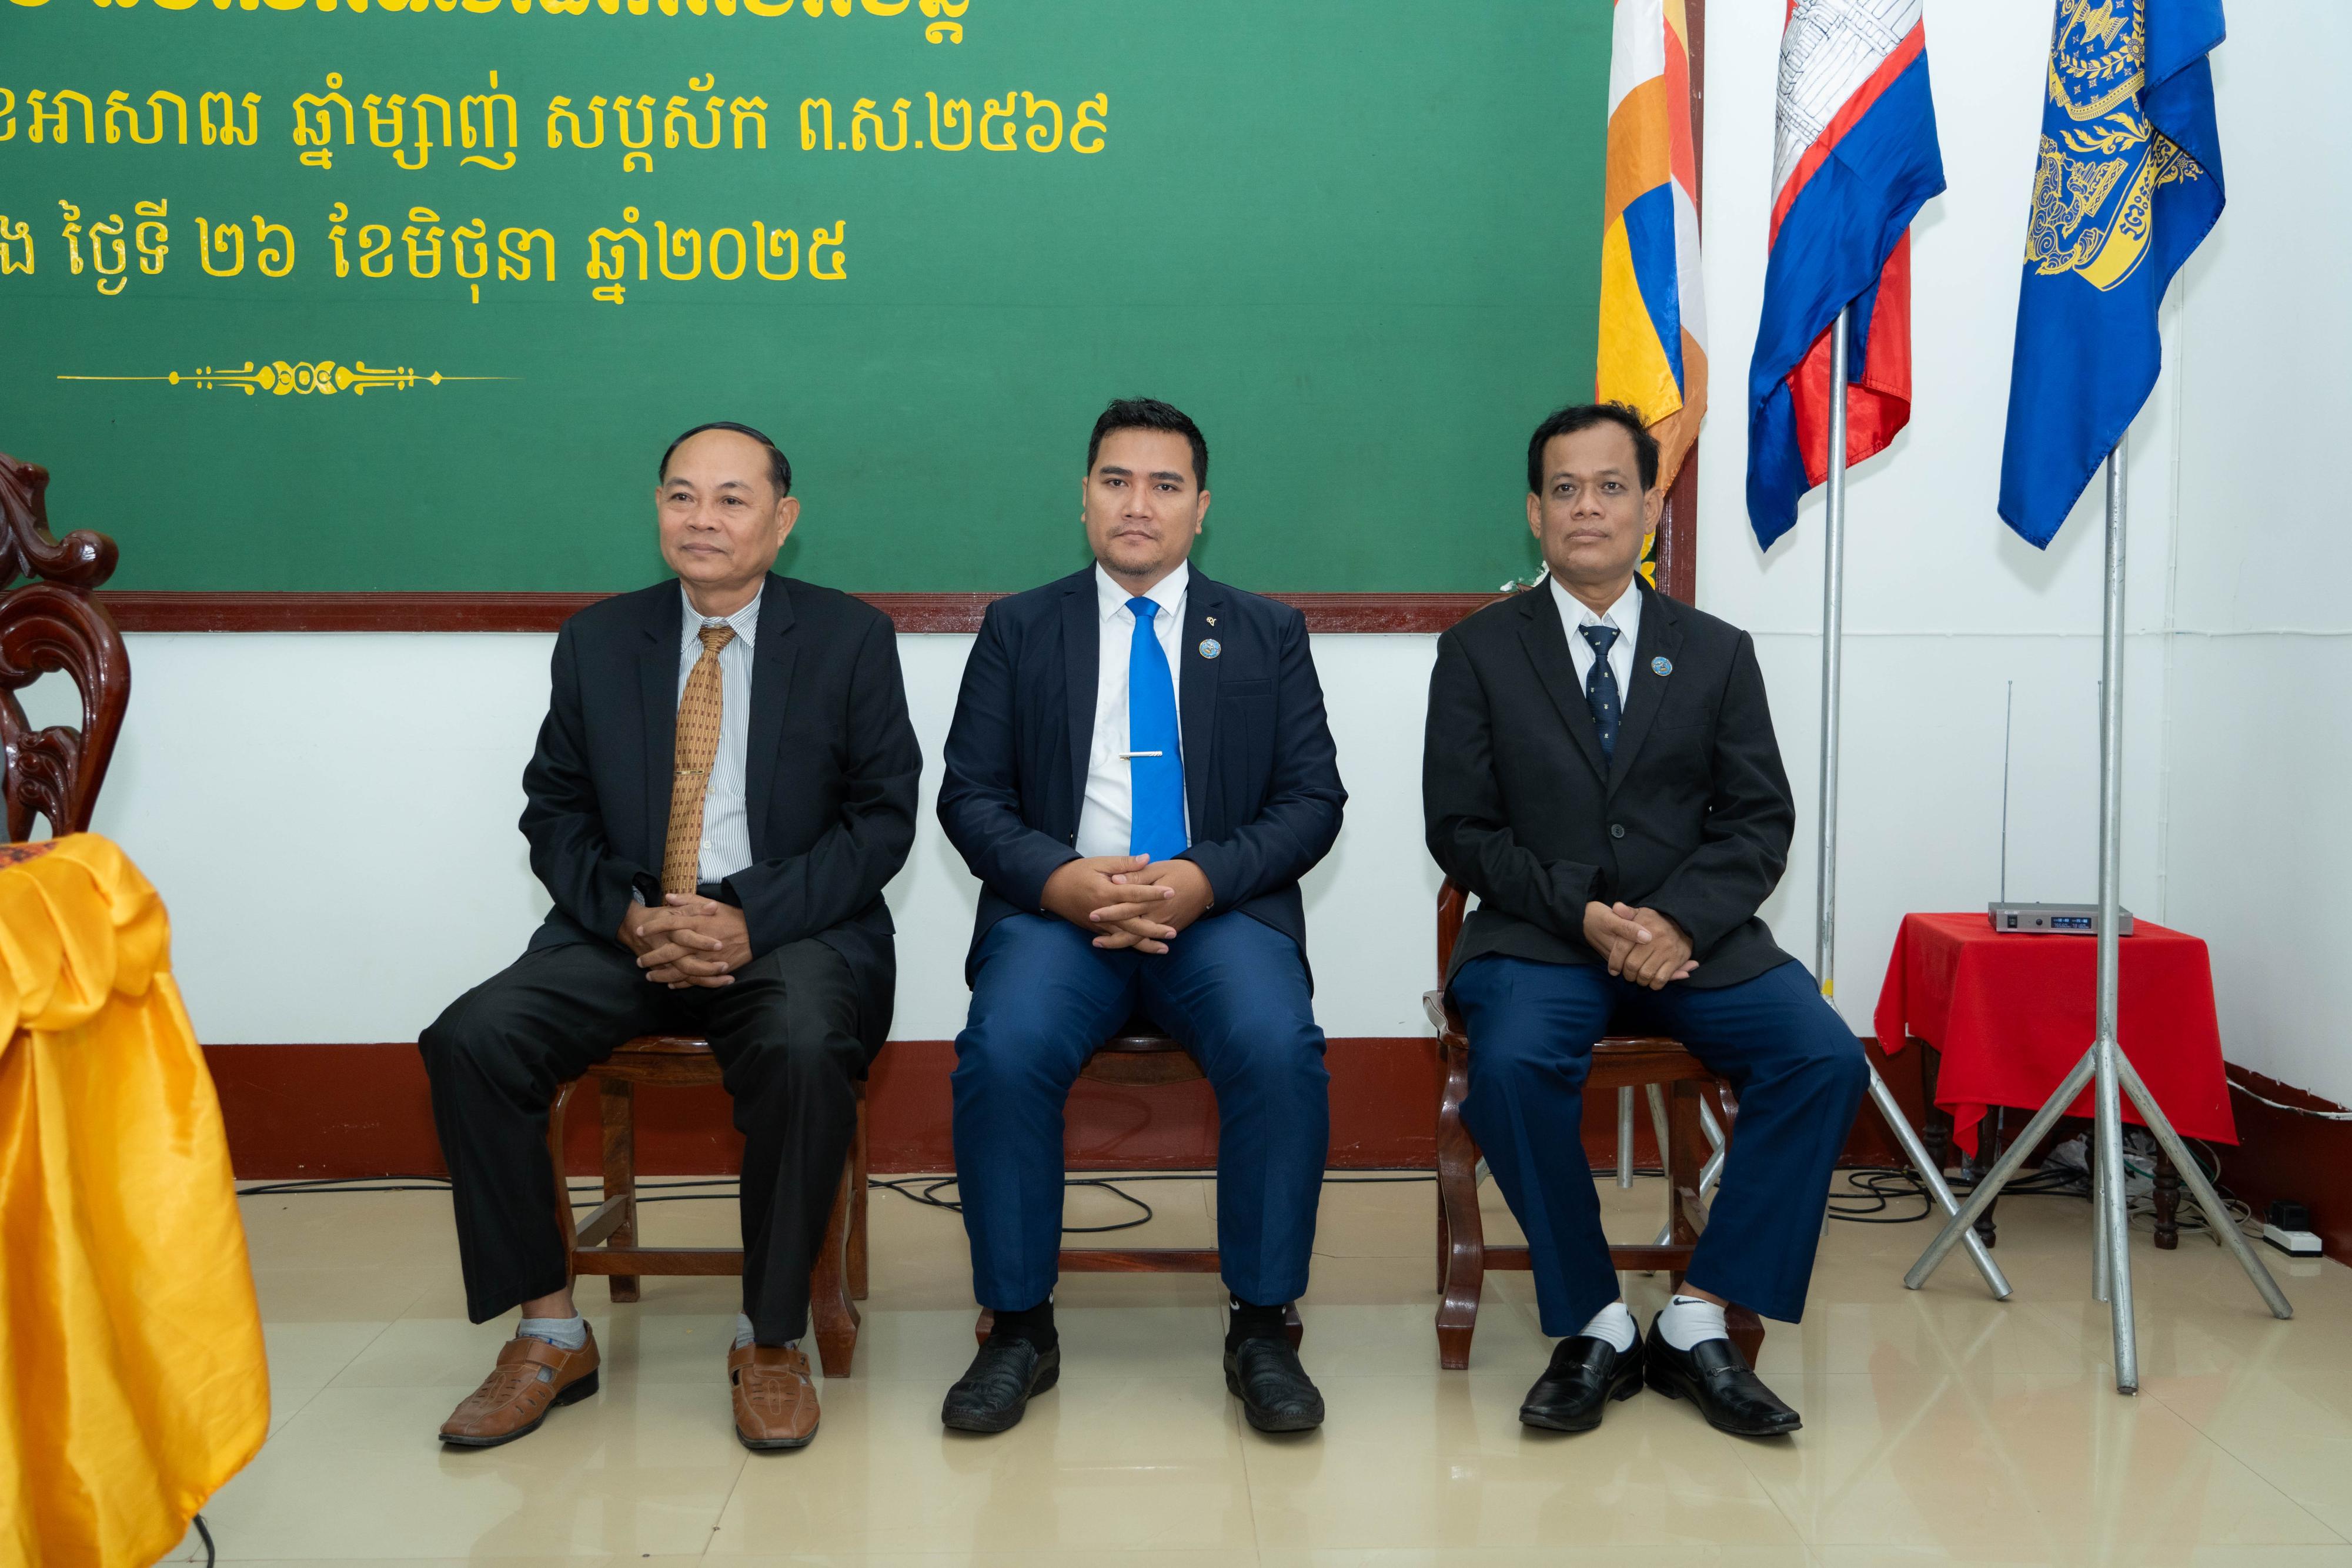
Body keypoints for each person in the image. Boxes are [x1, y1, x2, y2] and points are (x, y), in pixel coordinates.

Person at [419, 422, 921, 1453]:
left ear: (782, 519)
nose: (703, 519)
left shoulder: (850, 638)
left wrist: (749, 920)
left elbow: (880, 821)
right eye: (682, 495)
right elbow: (554, 813)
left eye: (733, 499)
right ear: (657, 509)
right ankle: (550, 1332)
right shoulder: (600, 640)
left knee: (801, 1044)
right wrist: (629, 914)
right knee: (474, 1038)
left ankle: (770, 1339)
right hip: (628, 927)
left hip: (786, 928)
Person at [1422, 402, 1867, 1439]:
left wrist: (1677, 922)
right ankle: (1597, 1321)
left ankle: (1699, 1316)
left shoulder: (1715, 652)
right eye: (1565, 490)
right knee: (1510, 1068)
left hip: (1694, 945)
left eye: (1611, 487)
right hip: (1541, 937)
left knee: (1823, 1059)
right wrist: (1583, 914)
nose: (1588, 508)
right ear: (1535, 513)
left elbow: (1759, 822)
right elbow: (1462, 831)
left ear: (1652, 508)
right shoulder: (1478, 652)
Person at [933, 397, 1347, 1435]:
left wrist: (1203, 878)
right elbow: (970, 796)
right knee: (1004, 1049)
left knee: (1279, 1047)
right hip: (1060, 914)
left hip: (1218, 911)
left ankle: (1263, 1325)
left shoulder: (1266, 632)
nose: (1138, 504)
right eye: (1116, 481)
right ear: (1084, 498)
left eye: (1165, 485)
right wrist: (1061, 878)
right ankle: (1019, 1326)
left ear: (1201, 508)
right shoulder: (1020, 628)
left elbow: (1312, 800)